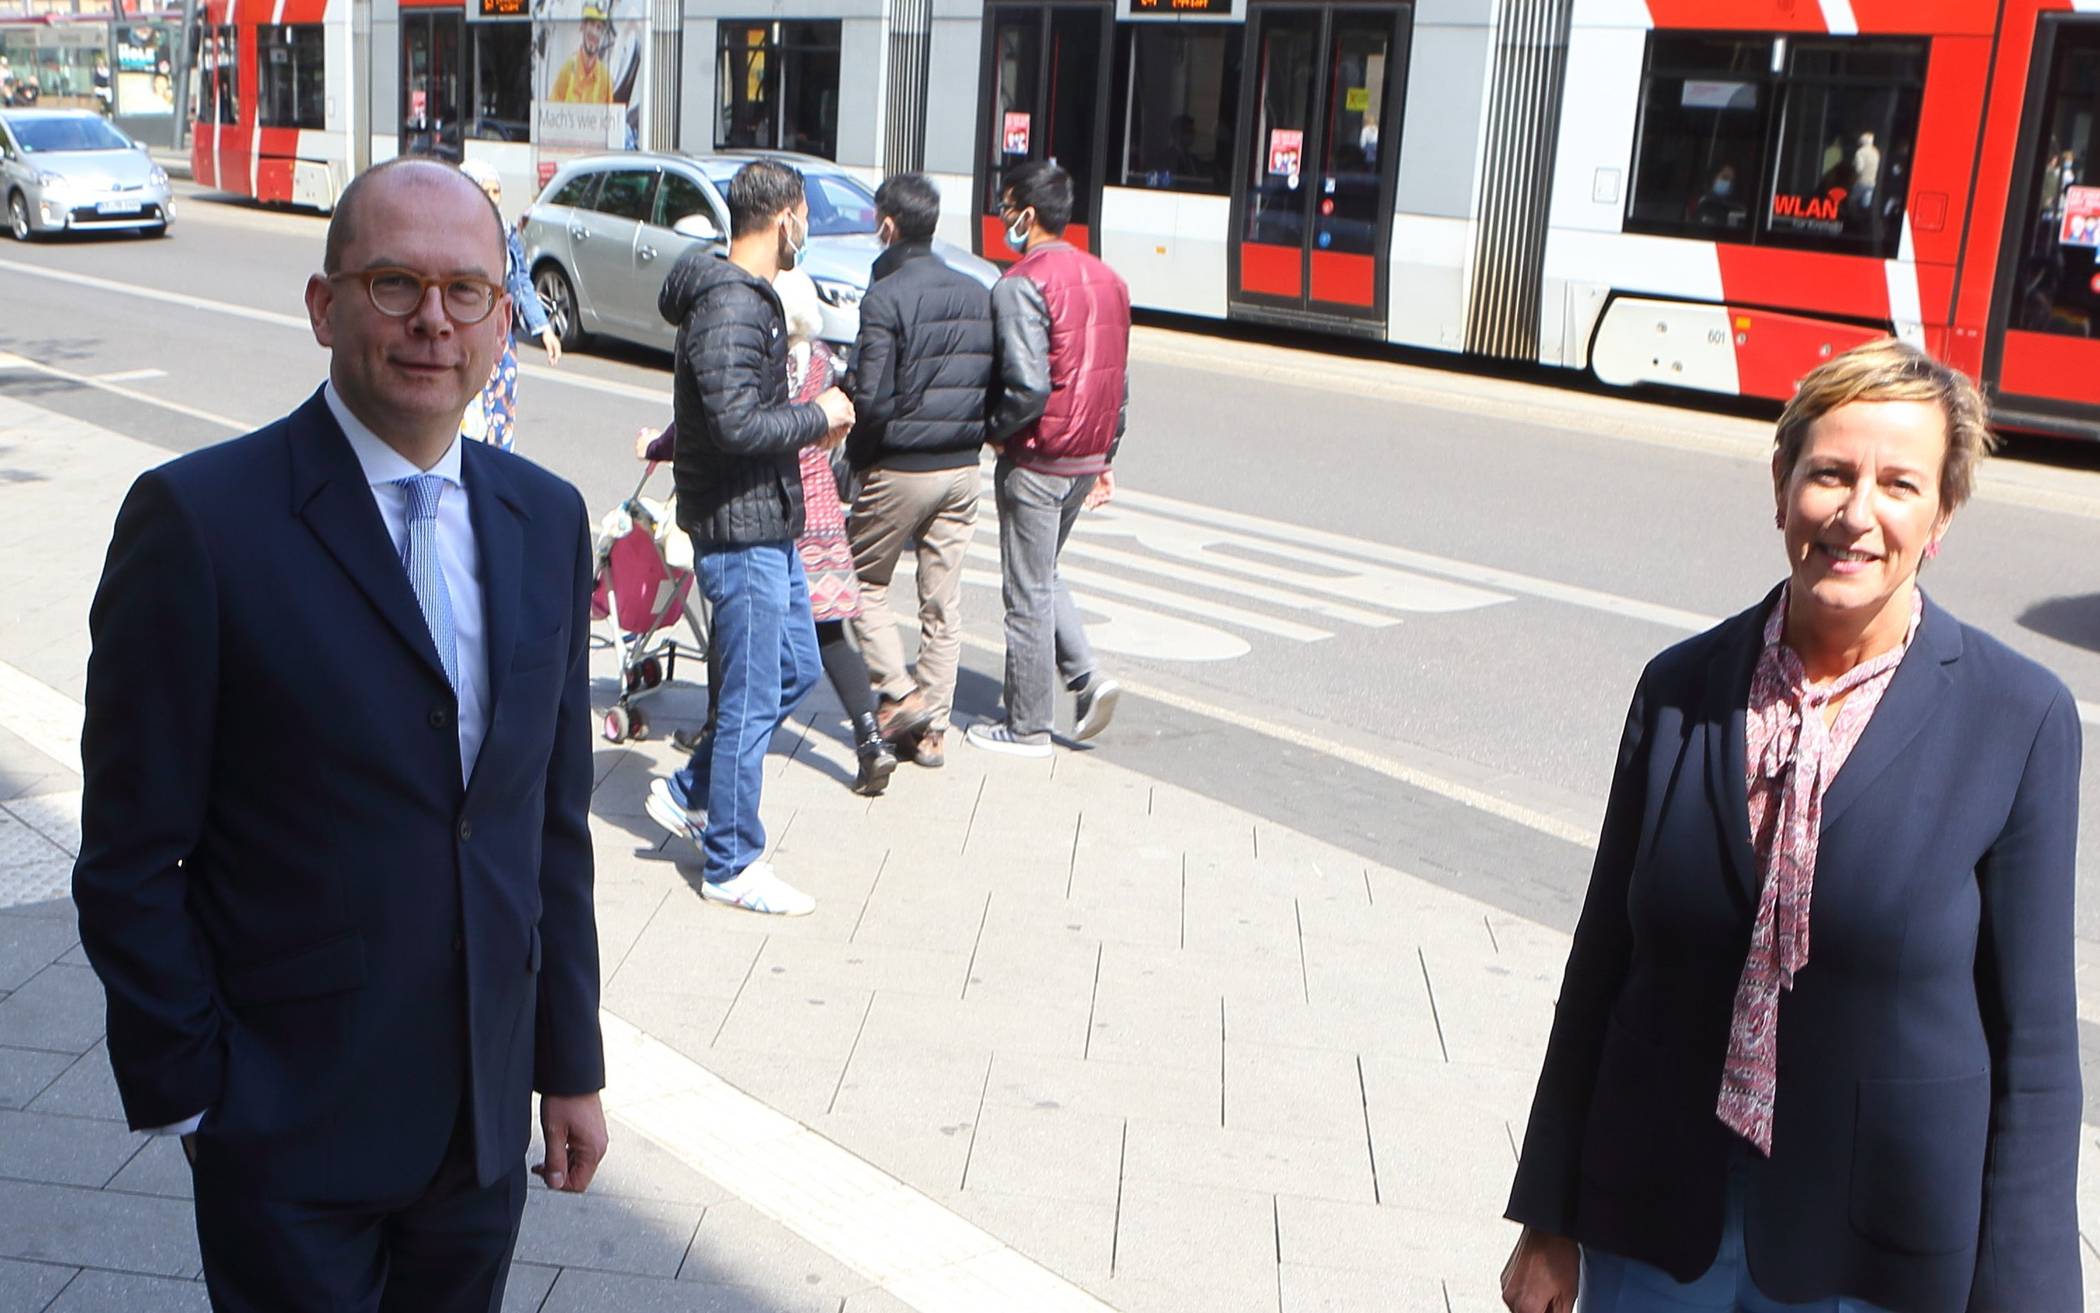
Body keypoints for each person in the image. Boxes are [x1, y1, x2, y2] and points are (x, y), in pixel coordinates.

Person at [72, 157, 608, 1312]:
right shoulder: (201, 521)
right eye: (392, 282)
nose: (432, 319)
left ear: (502, 318)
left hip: (479, 1132)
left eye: (466, 289)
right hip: (286, 1132)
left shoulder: (547, 519)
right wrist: (198, 1095)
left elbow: (546, 829)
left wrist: (569, 1064)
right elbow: (129, 849)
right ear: (324, 306)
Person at [1500, 339, 2082, 1313]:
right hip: (1653, 1225)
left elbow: (2035, 1050)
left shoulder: (2016, 717)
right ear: (1782, 486)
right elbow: (1602, 965)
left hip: (1875, 1249)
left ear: (1942, 513)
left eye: (1900, 483)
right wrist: (1548, 1216)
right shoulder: (1682, 688)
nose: (1857, 513)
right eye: (1831, 473)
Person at [643, 158, 853, 917]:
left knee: (794, 667)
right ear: (784, 216)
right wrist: (818, 418)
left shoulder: (740, 299)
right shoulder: (733, 306)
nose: (808, 233)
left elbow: (718, 416)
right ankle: (732, 859)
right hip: (740, 530)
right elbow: (735, 425)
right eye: (805, 217)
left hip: (767, 522)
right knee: (749, 694)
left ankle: (689, 790)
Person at [636, 269, 898, 797]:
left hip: (768, 506)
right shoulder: (822, 360)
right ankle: (870, 738)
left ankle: (716, 736)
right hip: (819, 511)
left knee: (739, 642)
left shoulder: (763, 359)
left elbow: (714, 423)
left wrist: (657, 446)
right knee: (824, 637)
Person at [968, 159, 1129, 759]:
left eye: (1007, 207)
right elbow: (1119, 379)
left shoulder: (1019, 284)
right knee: (1045, 573)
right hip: (1085, 457)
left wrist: (994, 432)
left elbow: (1026, 385)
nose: (1003, 218)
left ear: (1026, 214)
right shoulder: (1109, 280)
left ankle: (1028, 726)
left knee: (1026, 591)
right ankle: (1087, 678)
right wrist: (1106, 452)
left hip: (1038, 459)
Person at [844, 171, 994, 770]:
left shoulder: (885, 296)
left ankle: (902, 694)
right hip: (962, 466)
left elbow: (873, 398)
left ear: (888, 224)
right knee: (942, 602)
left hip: (901, 465)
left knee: (859, 581)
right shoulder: (976, 291)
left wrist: (858, 459)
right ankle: (931, 734)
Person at [457, 158, 560, 453]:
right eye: (483, 190)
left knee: (500, 424)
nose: (491, 199)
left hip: (501, 345)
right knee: (469, 427)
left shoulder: (506, 232)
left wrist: (544, 330)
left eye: (496, 192)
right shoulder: (452, 235)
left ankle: (495, 489)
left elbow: (522, 282)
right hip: (466, 339)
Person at [549, 6, 614, 105]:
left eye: (599, 27)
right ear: (583, 26)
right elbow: (551, 109)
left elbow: (611, 116)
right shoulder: (568, 68)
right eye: (591, 24)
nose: (594, 32)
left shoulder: (605, 79)